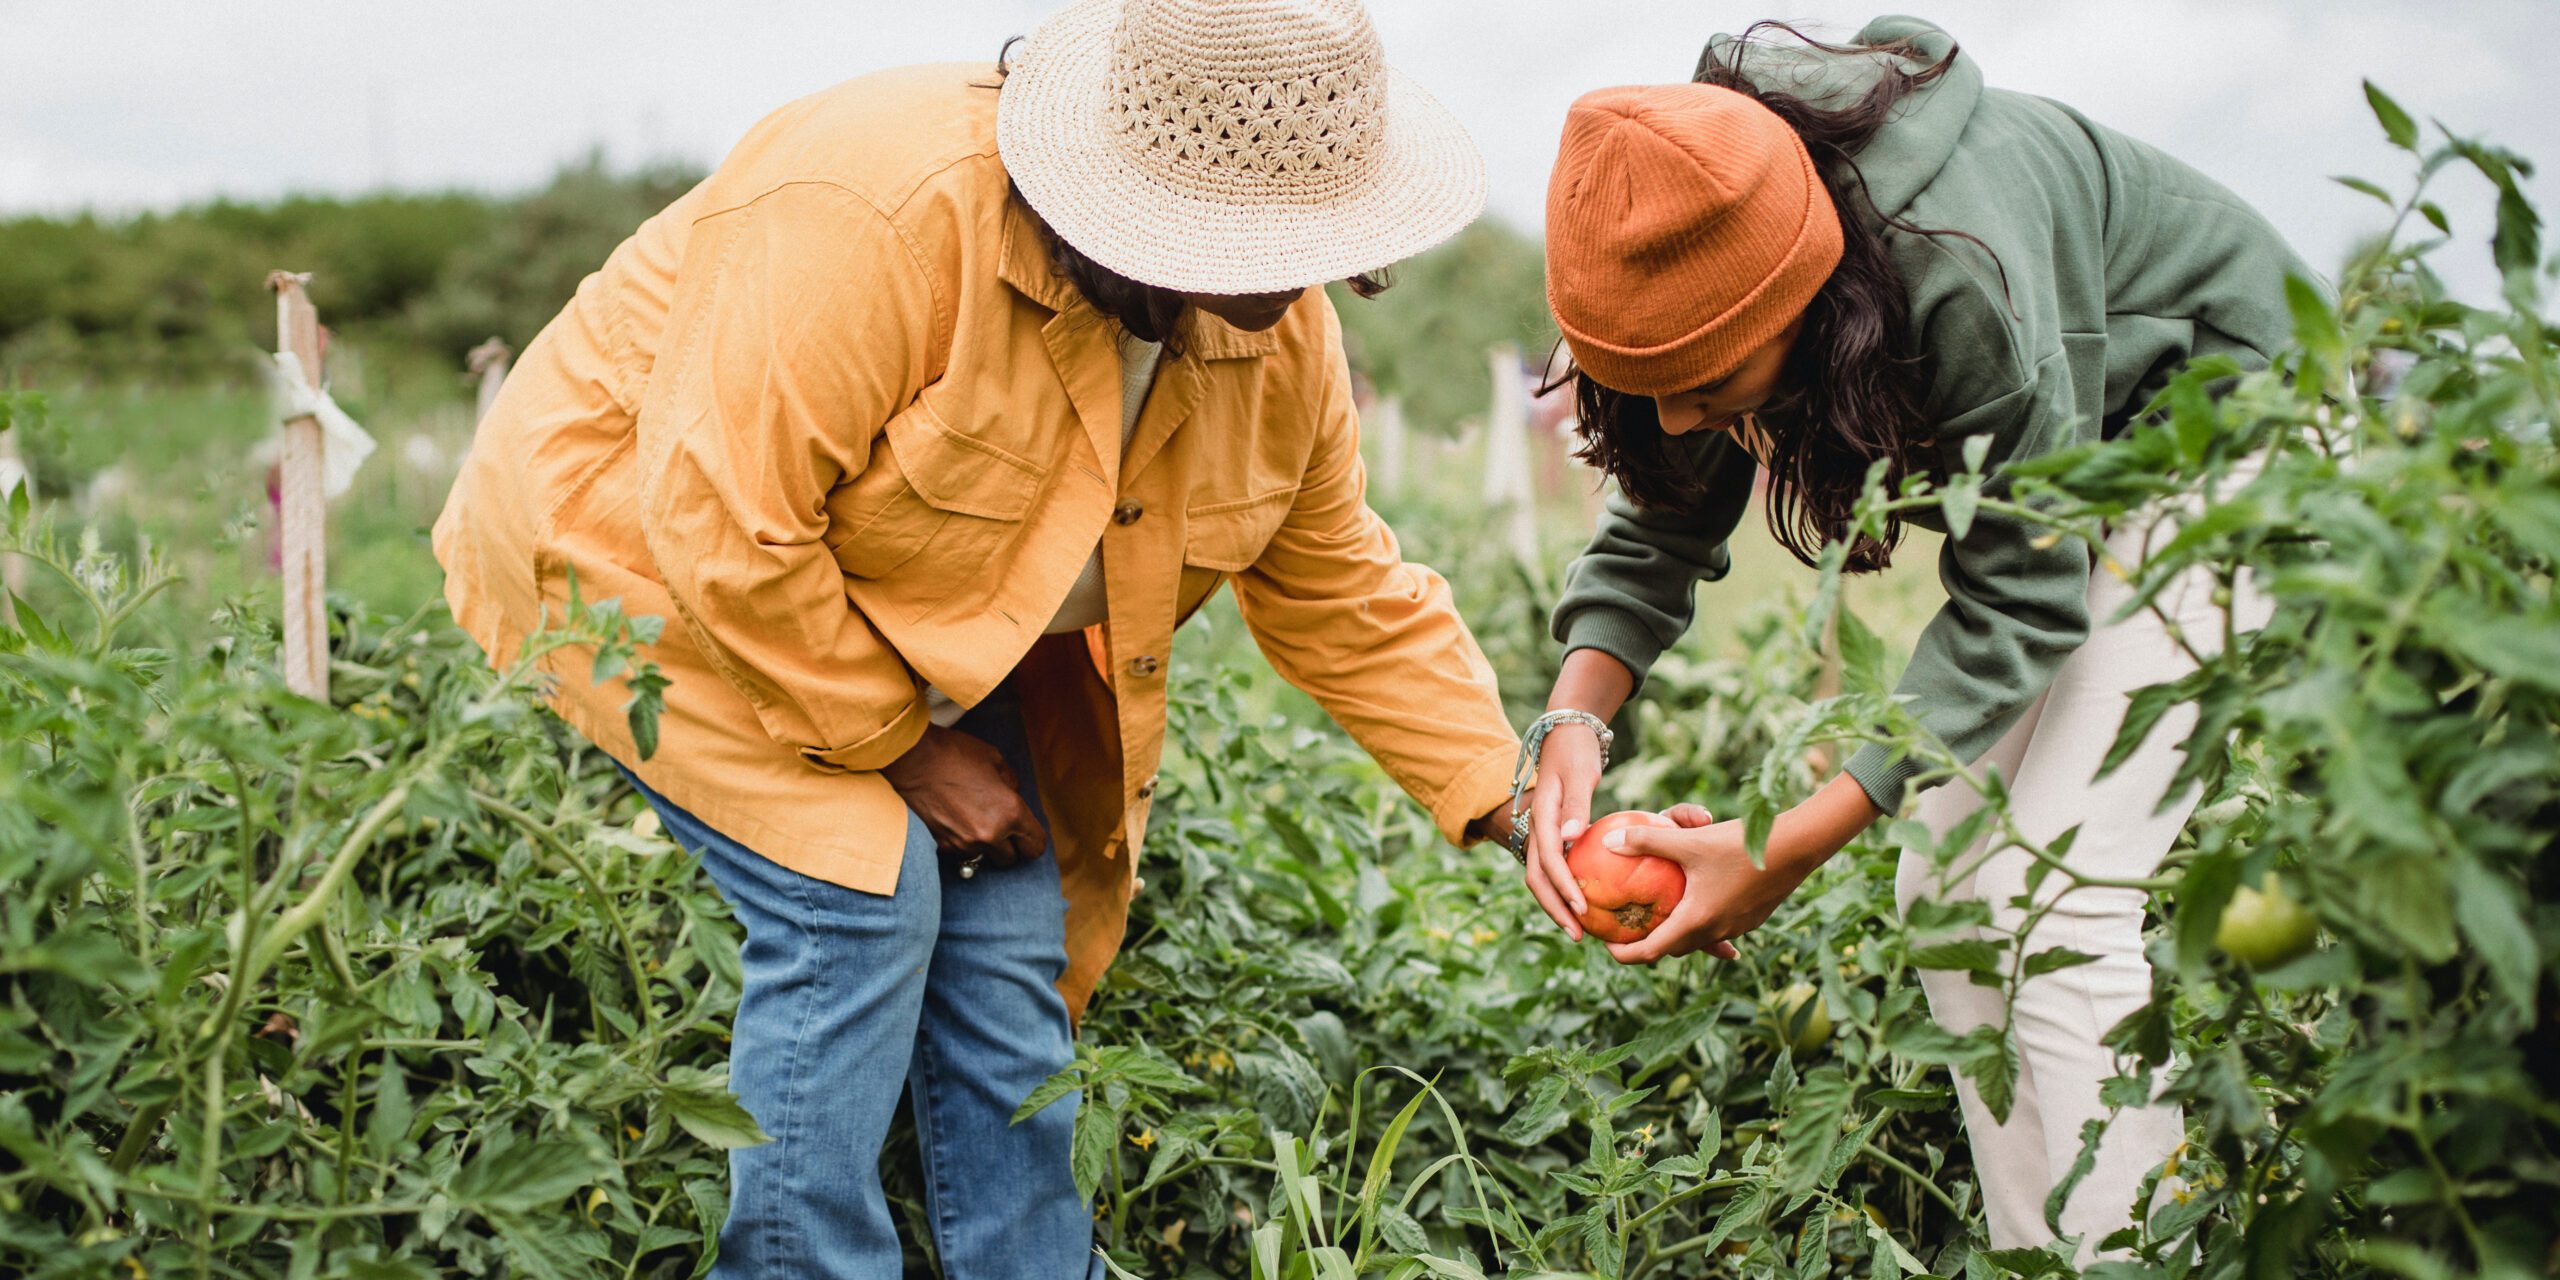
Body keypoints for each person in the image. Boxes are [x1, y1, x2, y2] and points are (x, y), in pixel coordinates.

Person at [431, 0, 1528, 1274]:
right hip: (646, 558)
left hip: (892, 596)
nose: (1297, 287)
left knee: (1012, 919)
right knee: (859, 895)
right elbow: (725, 525)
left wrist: (1513, 802)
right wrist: (908, 748)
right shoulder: (879, 217)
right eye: (1262, 241)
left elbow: (1339, 585)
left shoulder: (1272, 333)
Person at [1517, 17, 2309, 1263]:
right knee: (1942, 882)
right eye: (1646, 380)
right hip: (2095, 467)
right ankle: (2035, 1249)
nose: (1676, 414)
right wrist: (1573, 721)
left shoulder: (1956, 269)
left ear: (1808, 301)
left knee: (2052, 892)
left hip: (2237, 438)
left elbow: (2019, 600)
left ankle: (2135, 1256)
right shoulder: (1686, 223)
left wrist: (1776, 849)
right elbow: (1659, 522)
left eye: (1709, 380)